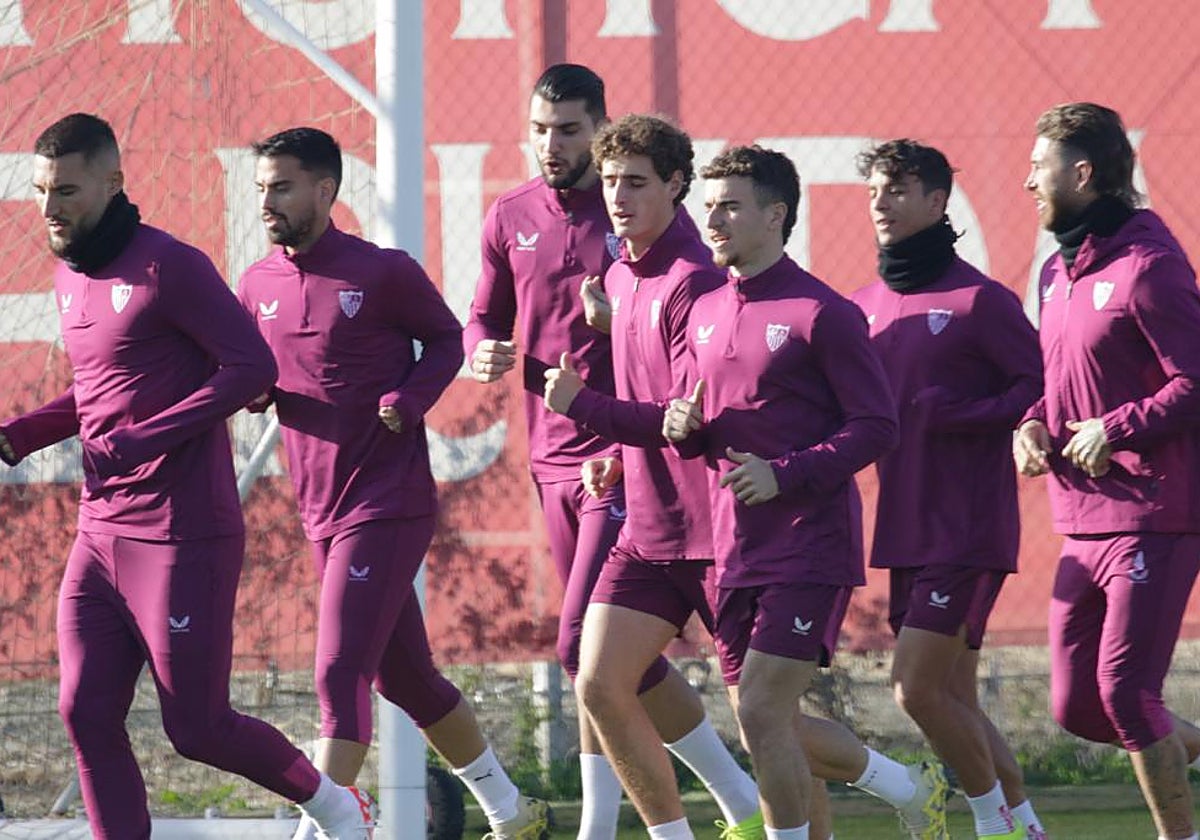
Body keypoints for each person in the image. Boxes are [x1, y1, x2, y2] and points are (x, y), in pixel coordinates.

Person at [0, 113, 372, 839]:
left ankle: (332, 801)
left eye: (66, 191)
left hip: (182, 533)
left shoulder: (171, 266)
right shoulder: (70, 274)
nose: (49, 208)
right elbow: (101, 389)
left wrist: (143, 440)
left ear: (113, 182)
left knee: (197, 728)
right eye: (40, 191)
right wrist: (18, 435)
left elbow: (251, 367)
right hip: (99, 533)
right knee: (83, 711)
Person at [466, 64, 764, 839]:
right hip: (552, 457)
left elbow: (688, 336)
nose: (551, 145)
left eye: (569, 130)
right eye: (540, 130)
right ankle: (740, 799)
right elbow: (483, 318)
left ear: (600, 129)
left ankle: (606, 824)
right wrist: (482, 350)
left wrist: (616, 334)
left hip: (626, 456)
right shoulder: (510, 215)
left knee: (581, 646)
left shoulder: (642, 217)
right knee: (605, 656)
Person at [238, 127, 545, 840]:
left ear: (325, 190)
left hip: (386, 500)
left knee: (337, 671)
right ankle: (512, 812)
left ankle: (327, 830)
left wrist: (409, 398)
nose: (268, 202)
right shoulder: (256, 284)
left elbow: (446, 340)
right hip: (319, 505)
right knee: (404, 678)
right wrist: (256, 391)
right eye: (260, 189)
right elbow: (258, 372)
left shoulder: (381, 272)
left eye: (282, 187)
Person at [662, 143, 903, 840]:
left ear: (775, 214)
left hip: (809, 546)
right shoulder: (705, 309)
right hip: (735, 549)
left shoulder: (822, 311)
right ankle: (907, 789)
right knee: (764, 725)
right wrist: (683, 429)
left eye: (730, 206)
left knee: (763, 711)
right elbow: (701, 419)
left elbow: (877, 426)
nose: (713, 221)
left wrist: (786, 472)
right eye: (709, 206)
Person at [541, 114, 762, 839]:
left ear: (675, 185)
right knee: (599, 679)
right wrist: (618, 451)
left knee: (769, 722)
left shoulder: (694, 279)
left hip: (715, 533)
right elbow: (654, 400)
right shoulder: (619, 274)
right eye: (610, 181)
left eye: (635, 182)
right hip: (649, 527)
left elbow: (684, 421)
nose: (618, 196)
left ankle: (898, 784)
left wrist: (584, 408)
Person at [1015, 102, 1200, 840]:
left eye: (1040, 165)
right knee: (1077, 707)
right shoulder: (1055, 273)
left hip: (1153, 516)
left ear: (1083, 173)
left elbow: (1193, 381)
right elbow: (1059, 381)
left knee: (1126, 693)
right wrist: (1032, 422)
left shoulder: (1150, 265)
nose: (1029, 179)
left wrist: (1115, 428)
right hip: (1080, 519)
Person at [851, 139, 1046, 840]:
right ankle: (1025, 825)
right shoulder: (862, 307)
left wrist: (968, 413)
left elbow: (1038, 388)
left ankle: (993, 824)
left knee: (915, 689)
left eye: (898, 189)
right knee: (955, 695)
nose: (881, 202)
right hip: (905, 528)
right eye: (875, 190)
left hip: (967, 528)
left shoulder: (980, 301)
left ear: (938, 202)